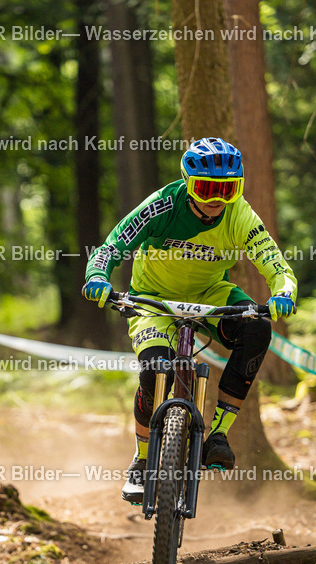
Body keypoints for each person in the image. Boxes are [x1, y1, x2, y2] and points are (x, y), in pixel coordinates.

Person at [82, 137, 298, 504]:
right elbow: (112, 245)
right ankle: (142, 459)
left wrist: (284, 291)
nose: (217, 199)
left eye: (227, 190)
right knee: (154, 370)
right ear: (187, 183)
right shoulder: (162, 206)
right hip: (154, 301)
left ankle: (218, 434)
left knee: (258, 328)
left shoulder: (239, 214)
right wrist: (97, 276)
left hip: (211, 295)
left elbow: (275, 263)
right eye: (207, 189)